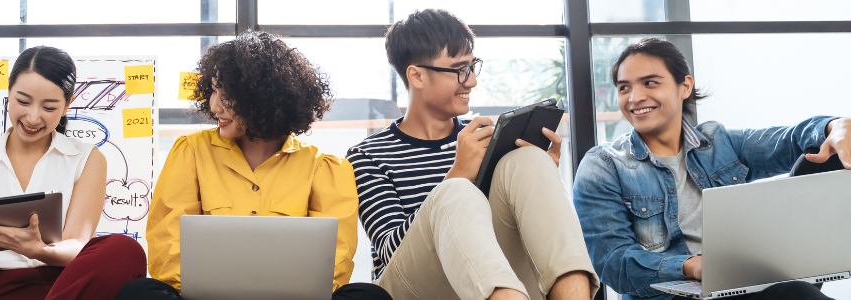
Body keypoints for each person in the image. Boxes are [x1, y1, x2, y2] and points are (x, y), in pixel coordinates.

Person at [115, 31, 391, 300]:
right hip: (204, 297)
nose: (214, 107)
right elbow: (167, 246)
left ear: (262, 98)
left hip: (291, 299)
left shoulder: (325, 168)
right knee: (139, 293)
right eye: (212, 91)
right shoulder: (191, 152)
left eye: (226, 95)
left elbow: (335, 264)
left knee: (369, 295)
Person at [346, 9, 598, 300]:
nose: (472, 82)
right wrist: (457, 174)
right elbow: (390, 254)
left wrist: (542, 173)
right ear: (416, 75)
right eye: (459, 70)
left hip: (493, 282)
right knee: (456, 192)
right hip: (412, 289)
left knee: (528, 160)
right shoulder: (367, 156)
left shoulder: (487, 138)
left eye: (472, 67)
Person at [573, 38, 849, 300]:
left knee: (829, 154)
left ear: (685, 86)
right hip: (674, 295)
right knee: (796, 294)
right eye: (624, 88)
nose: (635, 97)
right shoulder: (604, 165)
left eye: (650, 83)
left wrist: (834, 126)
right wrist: (691, 266)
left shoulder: (719, 142)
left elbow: (789, 139)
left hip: (748, 282)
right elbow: (613, 262)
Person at [0, 45, 146, 300]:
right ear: (8, 94)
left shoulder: (86, 158)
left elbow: (77, 245)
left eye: (49, 108)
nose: (32, 117)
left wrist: (39, 250)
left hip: (67, 284)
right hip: (3, 291)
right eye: (22, 101)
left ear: (66, 106)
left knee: (125, 249)